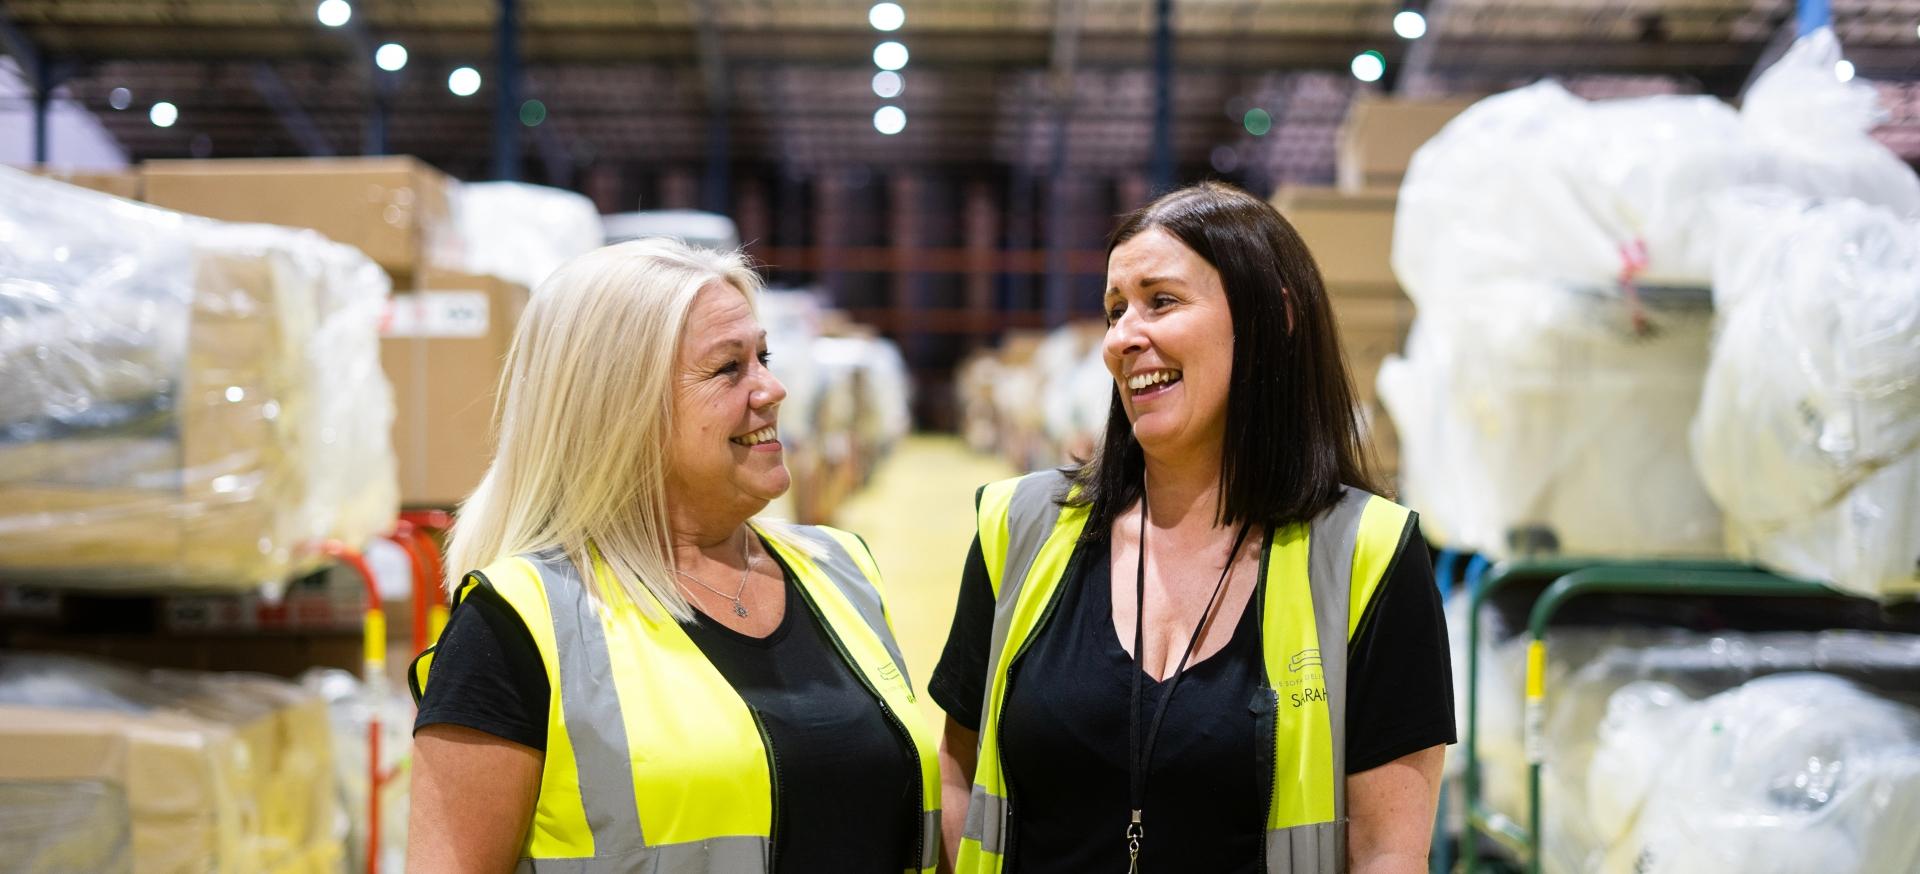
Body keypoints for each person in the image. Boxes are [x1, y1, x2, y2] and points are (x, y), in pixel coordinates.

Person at [931, 182, 1454, 874]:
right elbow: (961, 773)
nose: (1122, 338)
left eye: (1161, 301)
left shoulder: (1368, 555)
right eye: (1116, 310)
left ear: (1273, 317)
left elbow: (1389, 851)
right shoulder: (1018, 526)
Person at [405, 238, 941, 874]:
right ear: (619, 408)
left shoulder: (839, 569)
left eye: (763, 357)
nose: (772, 389)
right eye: (728, 368)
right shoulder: (519, 622)